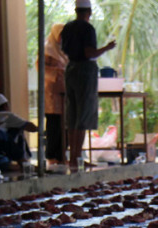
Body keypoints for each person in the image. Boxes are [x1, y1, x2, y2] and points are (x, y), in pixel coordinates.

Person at [61, 0, 116, 171]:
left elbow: (65, 49)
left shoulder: (67, 28)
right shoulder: (87, 29)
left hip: (70, 69)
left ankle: (73, 157)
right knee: (83, 115)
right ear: (89, 12)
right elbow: (89, 53)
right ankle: (77, 157)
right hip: (84, 70)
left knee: (73, 114)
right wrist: (106, 48)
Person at [0, 93, 38, 171]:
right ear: (5, 106)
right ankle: (23, 162)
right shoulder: (8, 116)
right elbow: (32, 128)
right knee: (18, 130)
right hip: (3, 145)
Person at [41, 23, 69, 165]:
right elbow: (41, 68)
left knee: (65, 124)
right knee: (54, 125)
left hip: (64, 92)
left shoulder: (64, 50)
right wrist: (56, 72)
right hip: (52, 92)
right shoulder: (47, 49)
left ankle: (62, 154)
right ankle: (52, 156)